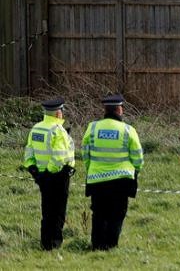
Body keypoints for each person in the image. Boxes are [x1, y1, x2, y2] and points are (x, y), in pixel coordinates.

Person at [82, 93, 144, 250]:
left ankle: (97, 245)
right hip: (121, 181)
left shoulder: (93, 127)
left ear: (105, 110)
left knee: (99, 214)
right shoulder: (128, 130)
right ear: (120, 110)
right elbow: (138, 157)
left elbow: (85, 153)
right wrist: (136, 170)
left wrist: (91, 169)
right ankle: (110, 245)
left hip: (96, 180)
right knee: (116, 214)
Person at [23, 97, 75, 250]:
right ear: (58, 113)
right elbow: (59, 157)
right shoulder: (57, 130)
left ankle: (45, 243)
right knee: (58, 212)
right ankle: (54, 244)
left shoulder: (37, 128)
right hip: (57, 177)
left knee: (46, 211)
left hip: (41, 176)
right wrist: (49, 174)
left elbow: (29, 154)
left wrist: (36, 173)